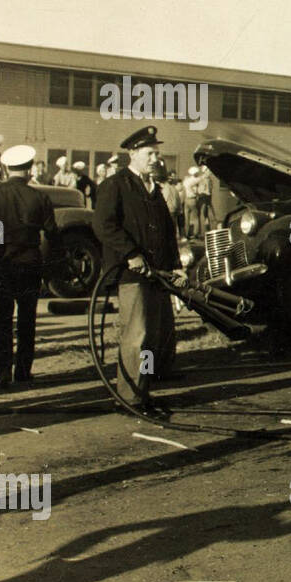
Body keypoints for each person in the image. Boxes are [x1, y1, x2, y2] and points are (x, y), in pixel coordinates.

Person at [93, 126, 182, 411]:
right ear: (133, 153)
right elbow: (104, 225)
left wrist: (176, 267)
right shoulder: (115, 184)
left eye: (157, 153)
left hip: (157, 275)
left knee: (153, 337)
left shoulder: (155, 189)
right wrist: (131, 253)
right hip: (131, 275)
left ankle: (143, 392)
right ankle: (130, 398)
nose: (156, 158)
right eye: (150, 153)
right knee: (137, 336)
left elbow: (168, 232)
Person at [0, 145, 59, 391]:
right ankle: (24, 372)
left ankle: (2, 374)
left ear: (6, 168)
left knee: (0, 320)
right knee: (27, 319)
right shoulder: (41, 197)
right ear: (29, 170)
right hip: (30, 264)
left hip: (1, 264)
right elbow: (52, 234)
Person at [182, 166, 202, 238]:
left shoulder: (186, 180)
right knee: (195, 217)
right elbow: (198, 191)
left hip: (186, 199)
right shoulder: (196, 180)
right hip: (193, 199)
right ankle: (195, 233)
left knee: (186, 218)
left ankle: (187, 233)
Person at [195, 164, 215, 235]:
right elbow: (200, 190)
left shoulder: (209, 180)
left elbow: (210, 190)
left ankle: (208, 230)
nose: (210, 172)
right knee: (203, 215)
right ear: (205, 171)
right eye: (208, 171)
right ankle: (200, 232)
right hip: (203, 197)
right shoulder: (202, 179)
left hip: (207, 198)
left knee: (207, 215)